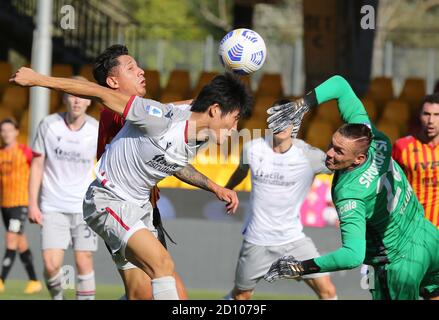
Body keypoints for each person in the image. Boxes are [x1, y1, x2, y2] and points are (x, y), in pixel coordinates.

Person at [10, 67, 253, 300]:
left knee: (140, 294)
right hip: (108, 201)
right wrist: (38, 79)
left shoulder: (200, 135)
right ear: (214, 110)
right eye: (234, 120)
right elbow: (98, 92)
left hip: (140, 211)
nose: (235, 129)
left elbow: (175, 161)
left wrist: (215, 187)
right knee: (163, 265)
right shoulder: (157, 117)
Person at [263, 75, 439, 300]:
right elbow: (340, 84)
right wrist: (301, 105)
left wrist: (300, 268)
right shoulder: (375, 139)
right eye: (331, 145)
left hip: (398, 264)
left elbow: (352, 256)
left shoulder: (350, 195)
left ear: (358, 159)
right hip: (429, 237)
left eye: (339, 151)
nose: (329, 153)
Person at [223, 100, 337, 300]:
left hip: (293, 240)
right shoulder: (252, 148)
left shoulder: (310, 156)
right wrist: (225, 189)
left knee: (328, 292)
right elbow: (241, 171)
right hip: (257, 241)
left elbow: (342, 168)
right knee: (241, 296)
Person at [28, 81, 99, 300]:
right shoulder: (48, 125)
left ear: (89, 101)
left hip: (84, 207)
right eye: (72, 95)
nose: (77, 100)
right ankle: (58, 298)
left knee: (83, 258)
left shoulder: (96, 129)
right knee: (51, 265)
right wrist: (32, 203)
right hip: (52, 206)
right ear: (65, 98)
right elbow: (37, 165)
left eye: (81, 96)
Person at [0, 118, 42, 294]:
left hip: (21, 204)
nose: (6, 133)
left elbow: (40, 166)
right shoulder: (1, 154)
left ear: (17, 131)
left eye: (9, 130)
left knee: (11, 238)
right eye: (3, 131)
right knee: (20, 242)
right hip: (5, 205)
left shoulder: (25, 152)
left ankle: (1, 280)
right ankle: (34, 281)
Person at [392, 94, 439, 228]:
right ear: (419, 116)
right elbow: (389, 185)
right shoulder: (402, 146)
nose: (431, 120)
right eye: (427, 114)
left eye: (437, 114)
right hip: (413, 226)